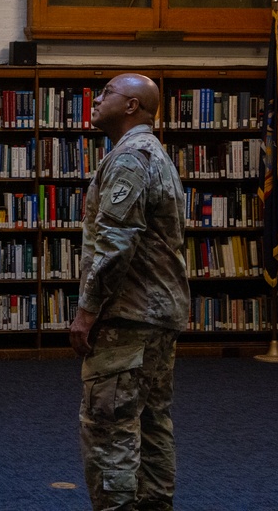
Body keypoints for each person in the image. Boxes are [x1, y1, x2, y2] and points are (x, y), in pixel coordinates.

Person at [69, 73, 191, 511]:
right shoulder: (155, 153)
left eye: (106, 94)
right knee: (153, 421)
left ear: (132, 106)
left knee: (110, 428)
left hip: (128, 316)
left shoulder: (129, 158)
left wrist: (87, 311)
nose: (96, 100)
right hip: (158, 314)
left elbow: (115, 245)